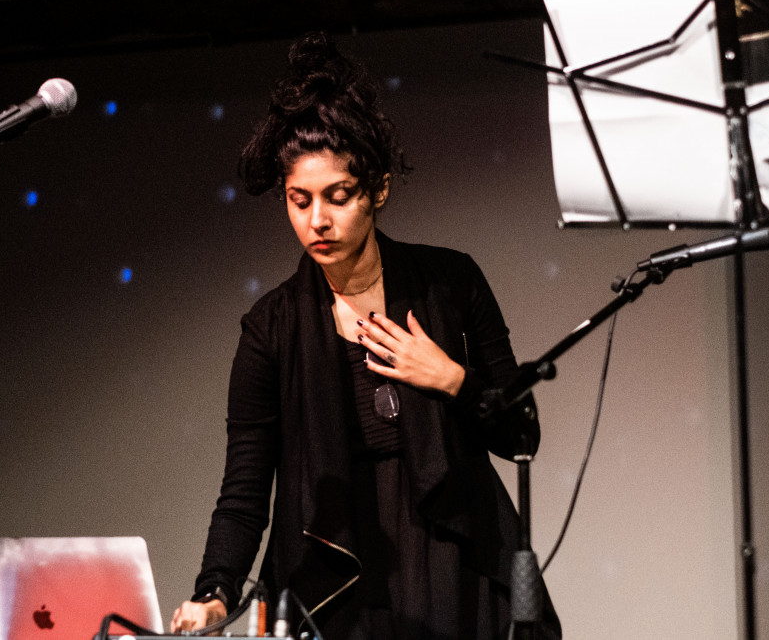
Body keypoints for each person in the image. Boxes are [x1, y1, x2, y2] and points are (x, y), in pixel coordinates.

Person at [171, 32, 560, 639]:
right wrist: (215, 591)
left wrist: (452, 380)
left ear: (377, 190)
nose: (317, 220)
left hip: (452, 558)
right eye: (299, 201)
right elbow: (245, 486)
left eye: (338, 196)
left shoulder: (449, 282)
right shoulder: (270, 328)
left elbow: (522, 434)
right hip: (333, 576)